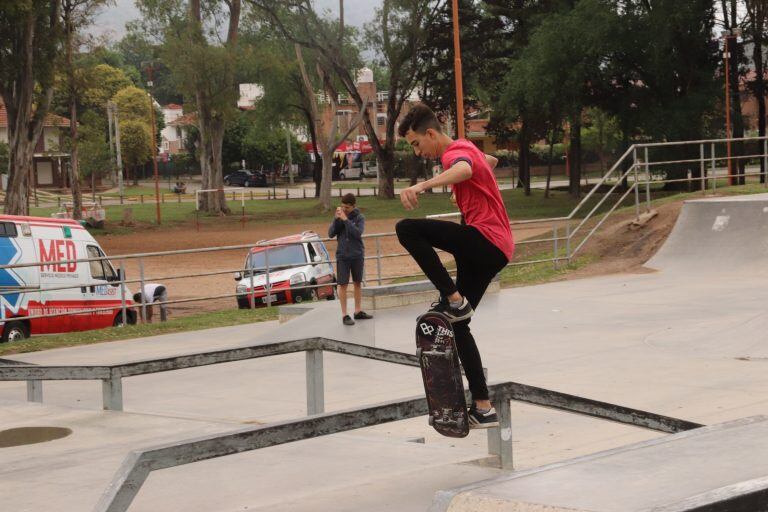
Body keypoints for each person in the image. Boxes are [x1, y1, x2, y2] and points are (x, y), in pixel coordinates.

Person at [395, 104, 514, 429]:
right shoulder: (470, 148)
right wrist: (471, 186)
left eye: (417, 144)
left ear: (430, 134)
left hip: (484, 240)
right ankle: (483, 407)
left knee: (407, 228)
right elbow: (488, 163)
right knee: (457, 326)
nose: (418, 152)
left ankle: (453, 297)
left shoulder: (454, 154)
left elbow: (462, 169)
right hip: (494, 249)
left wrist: (421, 186)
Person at [328, 193, 373, 325]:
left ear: (353, 206)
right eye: (343, 207)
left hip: (357, 254)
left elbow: (357, 234)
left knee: (357, 282)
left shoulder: (360, 217)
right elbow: (331, 234)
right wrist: (337, 219)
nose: (344, 209)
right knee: (343, 285)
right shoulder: (339, 216)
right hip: (343, 256)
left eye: (347, 207)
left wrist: (346, 220)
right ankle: (344, 314)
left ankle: (358, 311)